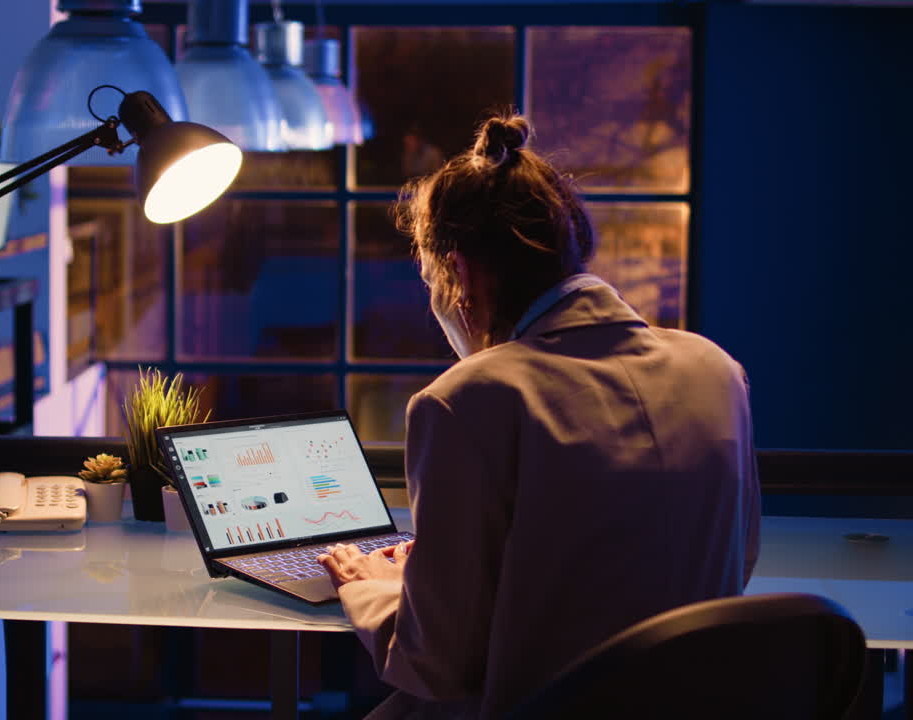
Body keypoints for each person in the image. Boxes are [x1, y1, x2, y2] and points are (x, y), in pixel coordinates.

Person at [317, 113, 760, 719]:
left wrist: (374, 589)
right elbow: (727, 562)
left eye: (430, 281)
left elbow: (434, 664)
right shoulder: (716, 371)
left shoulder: (468, 398)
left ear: (460, 274)